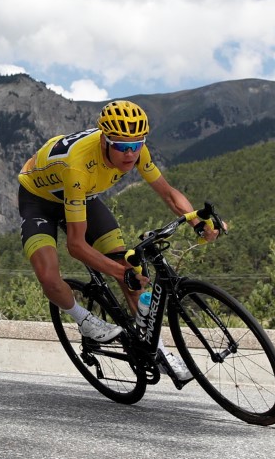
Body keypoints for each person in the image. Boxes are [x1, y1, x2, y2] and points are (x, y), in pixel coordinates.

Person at [17, 100, 223, 380]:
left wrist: (198, 222)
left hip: (83, 197)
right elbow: (76, 246)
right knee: (50, 277)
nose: (130, 154)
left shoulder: (135, 150)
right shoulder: (78, 166)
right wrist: (118, 271)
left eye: (137, 145)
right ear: (104, 141)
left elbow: (168, 194)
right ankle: (84, 320)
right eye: (122, 147)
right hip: (39, 201)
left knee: (130, 268)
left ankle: (158, 350)